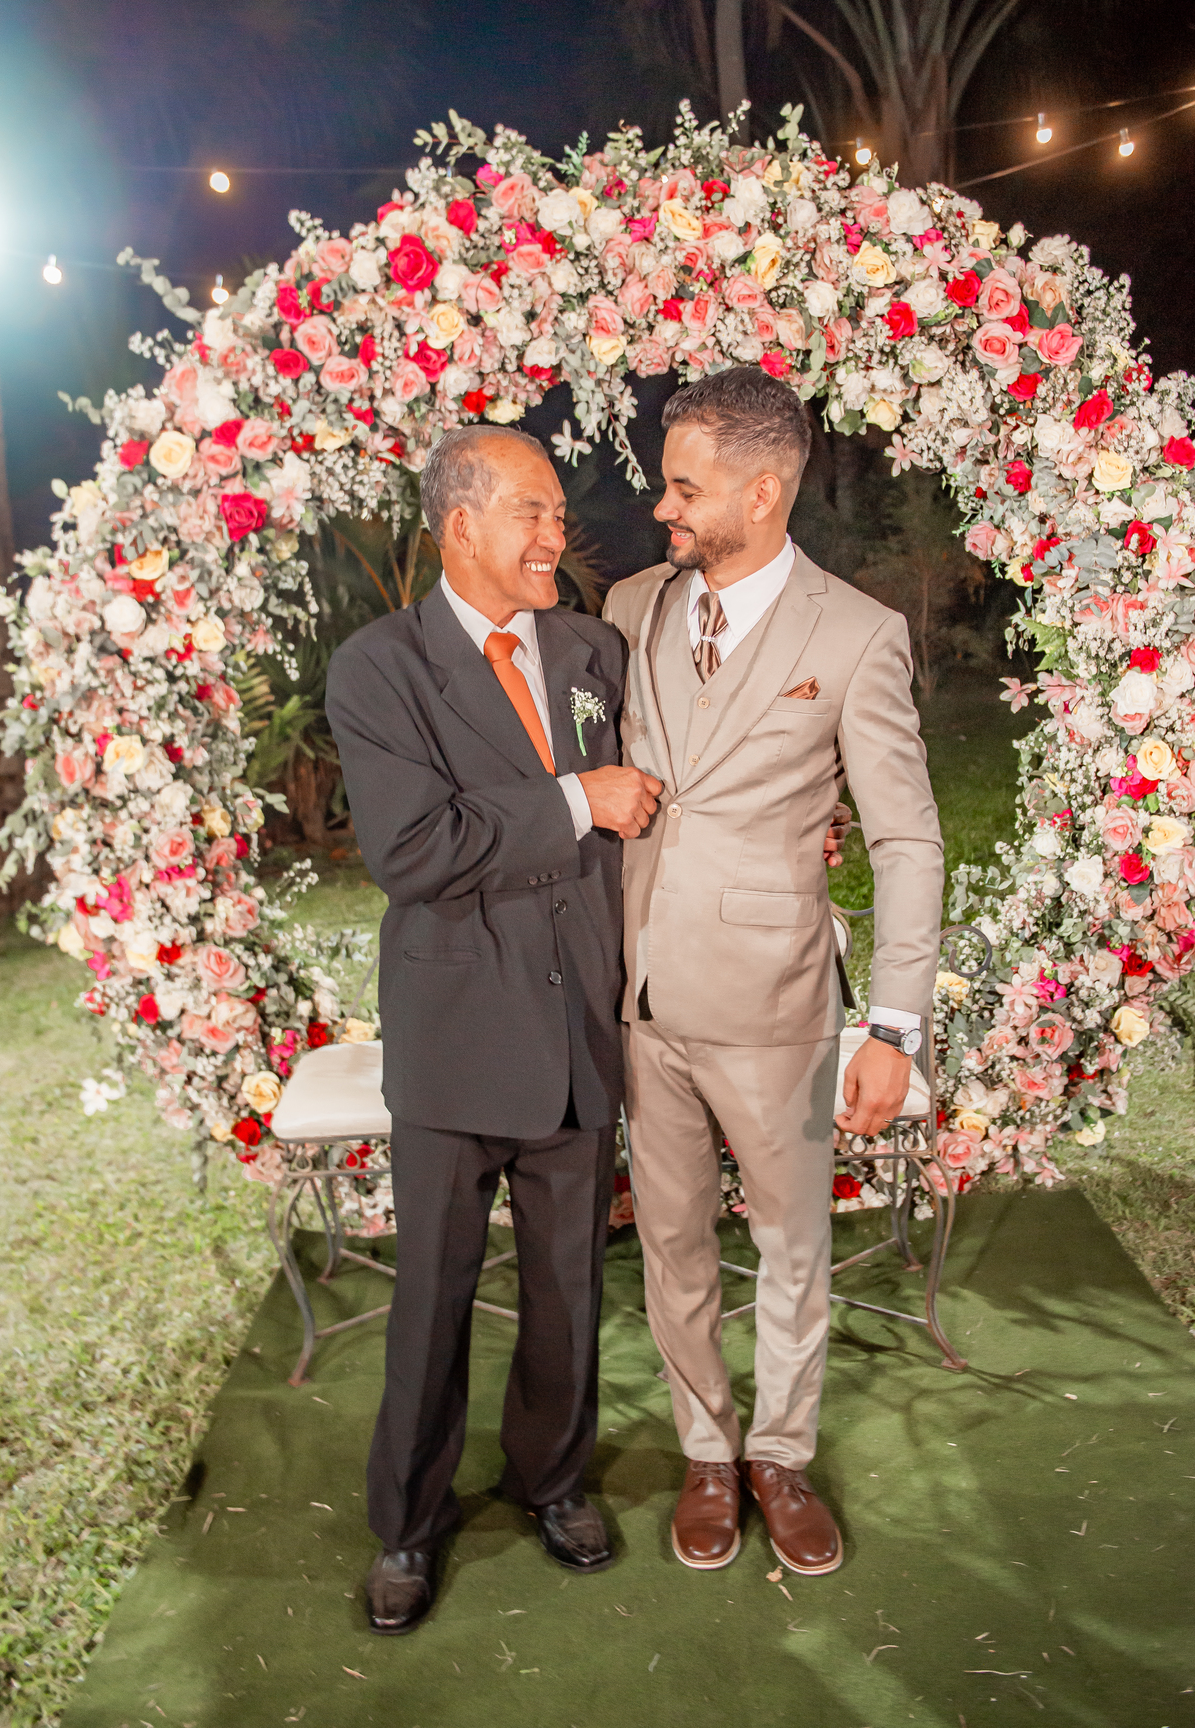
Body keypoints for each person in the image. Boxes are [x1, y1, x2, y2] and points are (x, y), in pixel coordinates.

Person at [603, 367, 944, 1579]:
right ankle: (708, 1449)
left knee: (794, 1247)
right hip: (640, 997)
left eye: (685, 488)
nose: (663, 508)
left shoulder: (856, 635)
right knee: (673, 1241)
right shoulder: (632, 603)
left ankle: (781, 1454)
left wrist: (892, 1028)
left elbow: (906, 840)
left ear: (762, 491)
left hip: (780, 1007)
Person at [325, 425, 662, 1634]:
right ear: (459, 524)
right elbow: (415, 849)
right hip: (458, 1032)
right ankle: (409, 1524)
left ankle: (553, 1480)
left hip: (577, 1025)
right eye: (533, 511)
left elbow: (647, 806)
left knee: (569, 1287)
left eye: (560, 512)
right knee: (433, 1297)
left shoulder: (592, 650)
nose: (555, 535)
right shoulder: (380, 667)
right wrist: (576, 799)